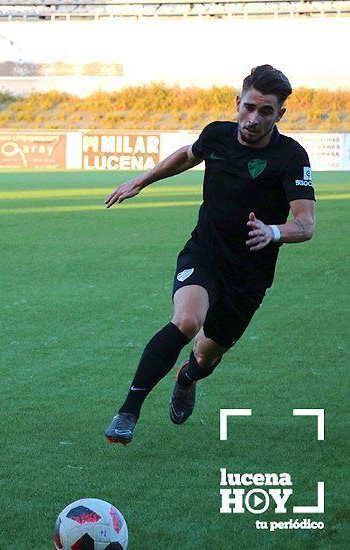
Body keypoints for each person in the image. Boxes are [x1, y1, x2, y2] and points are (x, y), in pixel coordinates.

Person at [103, 65, 316, 445]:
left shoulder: (291, 157)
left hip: (249, 276)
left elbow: (305, 224)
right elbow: (187, 155)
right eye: (248, 107)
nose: (253, 118)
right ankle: (127, 412)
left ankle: (186, 378)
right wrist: (141, 181)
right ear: (238, 102)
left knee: (205, 358)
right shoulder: (217, 134)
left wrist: (272, 232)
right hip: (205, 253)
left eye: (265, 111)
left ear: (280, 114)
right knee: (186, 321)